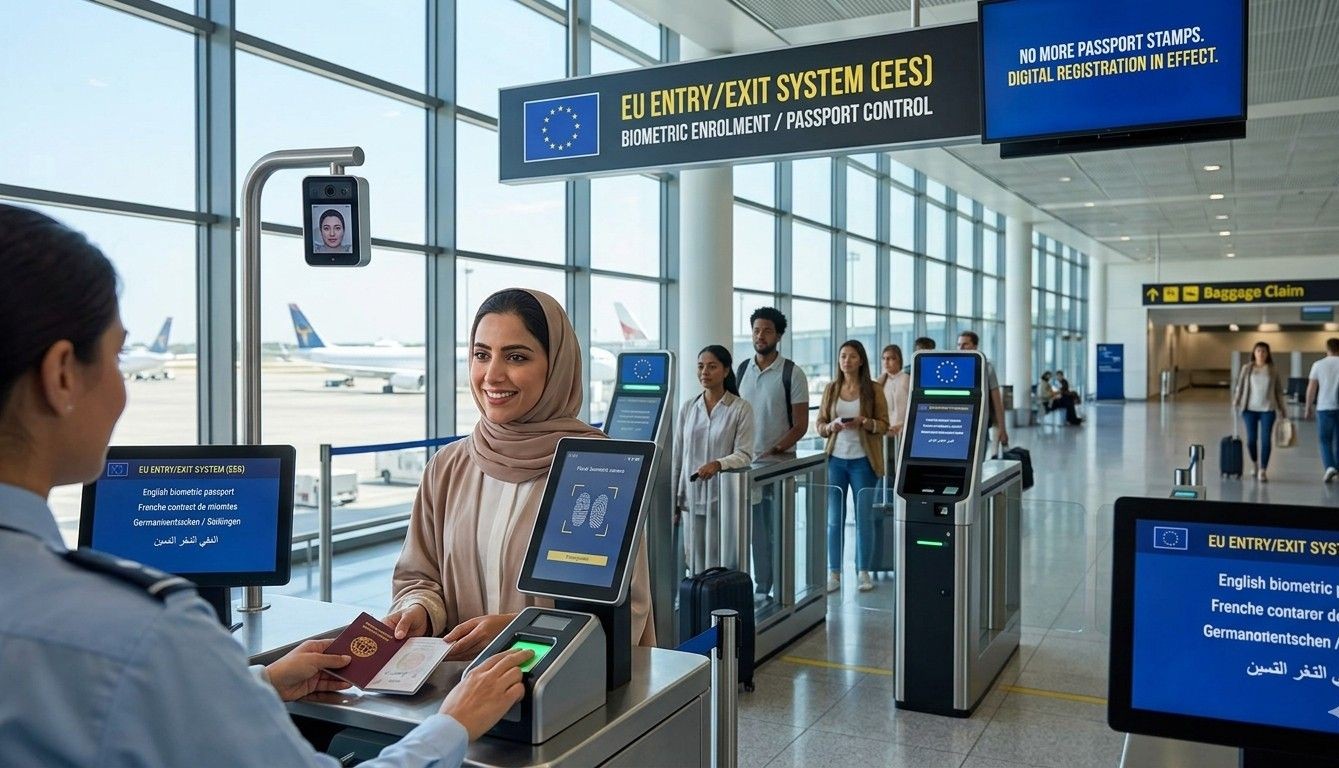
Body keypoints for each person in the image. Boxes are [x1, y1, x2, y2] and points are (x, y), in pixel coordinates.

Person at [0, 204, 530, 767]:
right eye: (117, 357)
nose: (123, 389)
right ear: (61, 376)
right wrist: (455, 724)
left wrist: (261, 682)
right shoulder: (143, 635)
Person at [386, 288, 656, 654]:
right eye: (482, 355)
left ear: (556, 366)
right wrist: (419, 609)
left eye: (516, 356)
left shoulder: (601, 467)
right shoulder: (449, 467)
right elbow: (419, 576)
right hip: (459, 694)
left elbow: (623, 614)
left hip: (563, 696)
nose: (492, 375)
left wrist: (520, 632)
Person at [736, 306, 809, 599]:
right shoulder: (742, 369)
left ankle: (783, 589)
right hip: (748, 468)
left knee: (779, 530)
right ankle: (762, 587)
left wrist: (775, 449)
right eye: (756, 330)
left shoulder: (793, 373)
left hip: (779, 467)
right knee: (756, 533)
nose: (760, 335)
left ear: (778, 335)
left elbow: (801, 424)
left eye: (766, 330)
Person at [672, 345, 755, 575]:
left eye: (712, 366)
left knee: (722, 563)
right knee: (695, 563)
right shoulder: (689, 407)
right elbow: (678, 455)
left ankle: (720, 607)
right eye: (700, 367)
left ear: (726, 371)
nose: (704, 372)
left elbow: (745, 454)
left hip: (724, 501)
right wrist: (674, 501)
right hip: (691, 499)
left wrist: (719, 464)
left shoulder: (740, 409)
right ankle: (699, 605)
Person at [817, 340, 889, 593]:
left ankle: (863, 572)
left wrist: (864, 421)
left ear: (861, 361)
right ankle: (834, 572)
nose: (846, 360)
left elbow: (883, 424)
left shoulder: (874, 389)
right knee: (834, 520)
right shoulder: (831, 389)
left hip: (864, 461)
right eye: (843, 356)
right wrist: (830, 427)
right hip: (835, 460)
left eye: (852, 356)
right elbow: (820, 425)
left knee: (864, 519)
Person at [1232, 341, 1286, 482]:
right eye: (1258, 351)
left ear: (1268, 354)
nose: (1261, 353)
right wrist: (1236, 400)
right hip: (1249, 409)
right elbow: (1240, 387)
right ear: (1254, 353)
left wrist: (1282, 409)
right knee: (1251, 440)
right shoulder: (1247, 368)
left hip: (1268, 409)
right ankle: (1255, 463)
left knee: (1266, 440)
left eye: (1264, 351)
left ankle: (1263, 469)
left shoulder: (1272, 370)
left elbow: (1279, 391)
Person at [957, 331, 1009, 447]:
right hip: (958, 422)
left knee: (978, 460)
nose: (961, 348)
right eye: (959, 344)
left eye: (965, 344)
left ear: (975, 346)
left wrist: (1002, 428)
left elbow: (996, 400)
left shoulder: (986, 367)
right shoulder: (954, 368)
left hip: (980, 422)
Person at [1304, 337, 1339, 483]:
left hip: (1324, 407)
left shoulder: (1318, 365)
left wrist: (1308, 407)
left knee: (1325, 440)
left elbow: (1311, 388)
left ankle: (1330, 467)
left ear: (1327, 349)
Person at [877, 344, 911, 439]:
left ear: (898, 360)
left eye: (890, 358)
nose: (886, 362)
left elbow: (911, 407)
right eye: (884, 358)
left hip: (904, 431)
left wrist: (902, 425)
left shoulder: (907, 379)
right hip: (885, 433)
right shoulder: (880, 381)